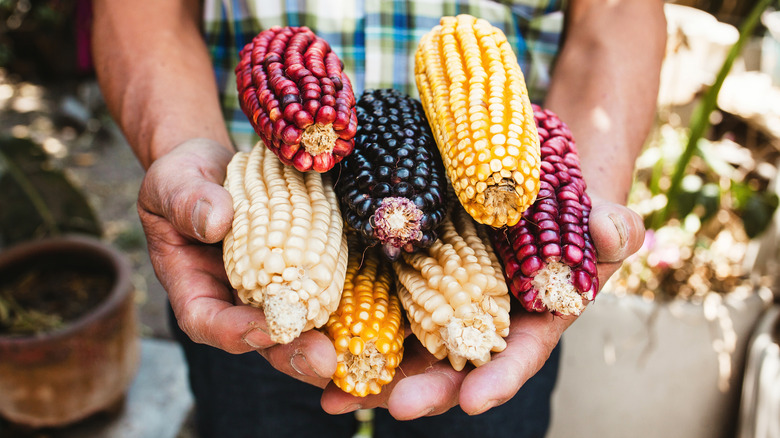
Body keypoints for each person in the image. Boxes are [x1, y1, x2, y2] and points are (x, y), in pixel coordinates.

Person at [90, 1, 665, 437]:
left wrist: (582, 190)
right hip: (244, 246)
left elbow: (617, 14)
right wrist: (179, 145)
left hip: (493, 256)